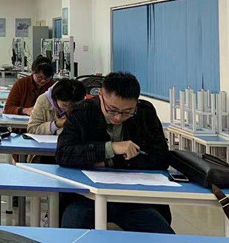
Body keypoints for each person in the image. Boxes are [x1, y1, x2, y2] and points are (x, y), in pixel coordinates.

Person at [56, 71, 174, 234]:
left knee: (164, 236)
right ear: (100, 95)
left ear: (136, 102)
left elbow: (161, 158)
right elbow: (64, 153)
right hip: (86, 197)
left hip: (133, 200)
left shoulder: (145, 113)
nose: (118, 117)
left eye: (127, 112)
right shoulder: (82, 111)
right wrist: (111, 148)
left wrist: (109, 161)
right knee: (71, 234)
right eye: (112, 110)